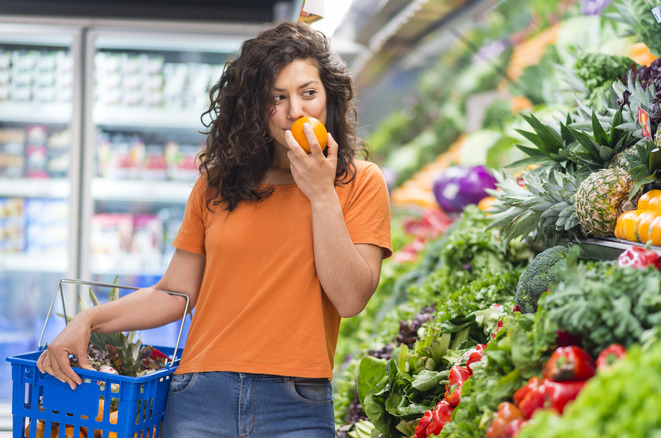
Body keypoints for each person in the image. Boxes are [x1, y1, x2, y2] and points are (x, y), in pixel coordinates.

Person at [36, 21, 393, 437]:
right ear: (255, 109)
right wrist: (88, 320)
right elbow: (175, 294)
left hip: (297, 406)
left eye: (307, 93)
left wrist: (321, 194)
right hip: (200, 397)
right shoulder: (217, 185)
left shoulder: (359, 182)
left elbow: (350, 298)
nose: (295, 111)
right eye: (277, 97)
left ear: (328, 97)